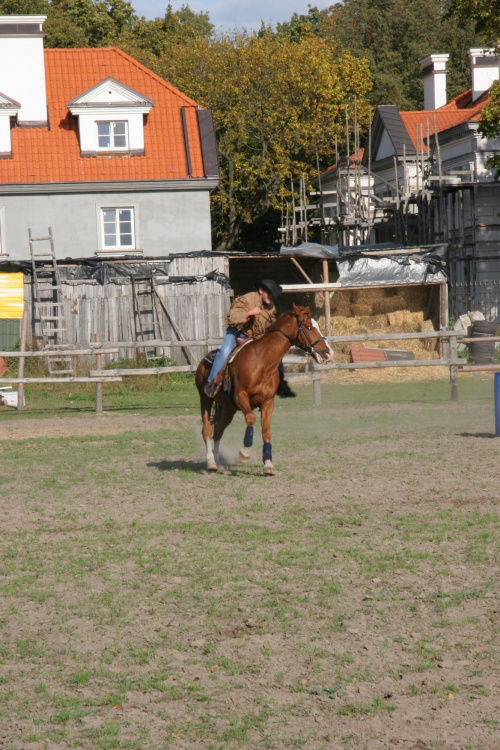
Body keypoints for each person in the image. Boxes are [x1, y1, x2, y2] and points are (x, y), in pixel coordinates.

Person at [204, 279, 296, 398]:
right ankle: (212, 383)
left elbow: (271, 323)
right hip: (237, 333)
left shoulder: (271, 306)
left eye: (273, 294)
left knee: (276, 357)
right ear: (261, 291)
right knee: (225, 352)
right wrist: (249, 313)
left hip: (255, 337)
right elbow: (232, 316)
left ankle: (280, 385)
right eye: (269, 293)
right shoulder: (246, 299)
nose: (271, 296)